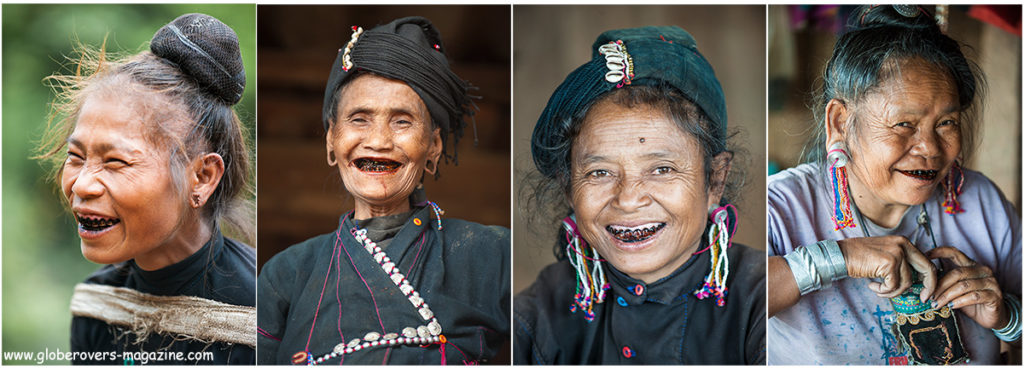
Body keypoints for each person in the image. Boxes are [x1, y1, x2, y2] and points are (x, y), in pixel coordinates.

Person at [767, 5, 1021, 365]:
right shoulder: (780, 207)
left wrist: (1008, 319)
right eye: (904, 124)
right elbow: (721, 306)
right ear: (840, 122)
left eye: (947, 122)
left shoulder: (983, 205)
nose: (930, 148)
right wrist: (842, 257)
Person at [256, 16, 510, 365]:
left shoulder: (491, 254)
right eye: (359, 119)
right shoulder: (285, 274)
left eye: (402, 121)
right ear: (332, 140)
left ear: (433, 146)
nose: (378, 141)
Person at [513, 25, 765, 364]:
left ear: (715, 181)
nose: (629, 200)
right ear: (569, 187)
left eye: (662, 169)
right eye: (599, 173)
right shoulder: (538, 313)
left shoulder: (761, 299)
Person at [35, 13, 256, 364]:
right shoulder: (98, 306)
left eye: (116, 162)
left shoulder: (267, 311)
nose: (82, 183)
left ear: (201, 177)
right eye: (76, 157)